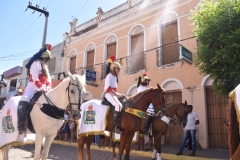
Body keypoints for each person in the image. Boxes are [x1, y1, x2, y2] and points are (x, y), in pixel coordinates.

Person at [17, 44, 52, 140]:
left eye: (47, 59)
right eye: (46, 59)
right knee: (24, 100)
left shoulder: (45, 67)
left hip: (44, 88)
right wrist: (41, 87)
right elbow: (35, 78)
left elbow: (49, 78)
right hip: (33, 87)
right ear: (43, 57)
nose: (46, 61)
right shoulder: (35, 63)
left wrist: (48, 87)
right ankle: (21, 126)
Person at [104, 55, 124, 134]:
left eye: (119, 69)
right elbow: (108, 89)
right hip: (109, 95)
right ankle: (115, 127)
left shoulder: (114, 77)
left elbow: (115, 89)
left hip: (113, 94)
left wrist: (119, 94)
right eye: (118, 69)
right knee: (119, 106)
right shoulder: (109, 76)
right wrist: (117, 94)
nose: (119, 70)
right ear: (113, 68)